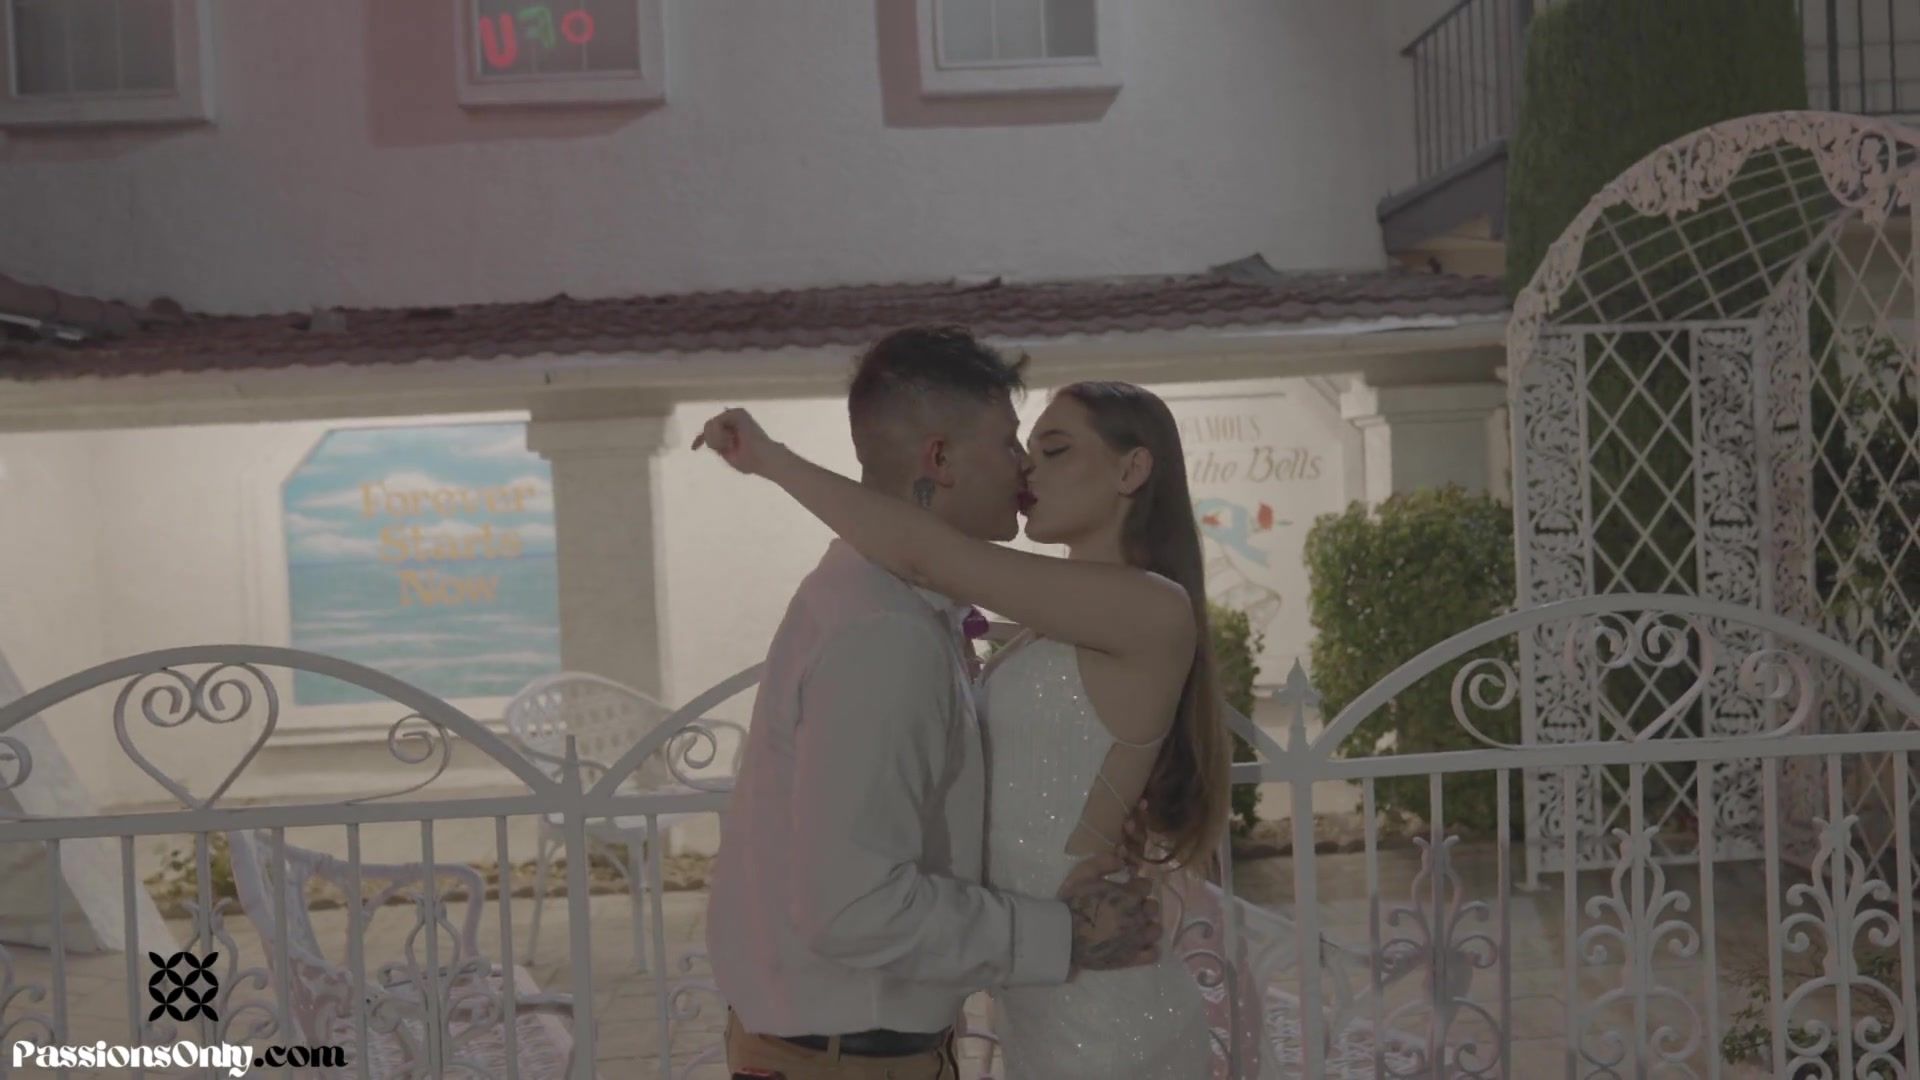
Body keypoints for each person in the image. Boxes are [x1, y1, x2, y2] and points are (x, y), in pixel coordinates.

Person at [700, 332, 1230, 1078]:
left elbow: (927, 554)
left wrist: (771, 460)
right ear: (941, 459)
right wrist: (1057, 927)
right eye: (1018, 443)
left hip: (1094, 1003)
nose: (1024, 466)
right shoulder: (891, 626)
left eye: (1050, 449)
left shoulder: (1139, 608)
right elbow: (853, 903)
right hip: (1021, 994)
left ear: (1132, 470)